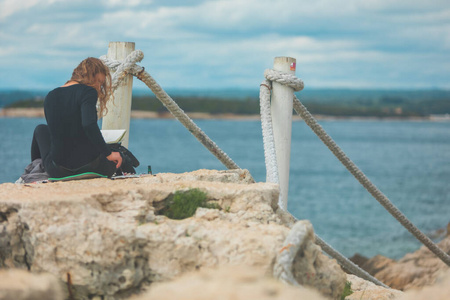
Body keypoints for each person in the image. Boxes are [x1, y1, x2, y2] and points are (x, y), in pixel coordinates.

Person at [30, 57, 122, 179]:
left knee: (40, 129)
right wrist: (108, 154)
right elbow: (88, 124)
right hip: (91, 166)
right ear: (90, 76)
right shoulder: (88, 91)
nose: (99, 88)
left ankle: (34, 172)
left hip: (58, 171)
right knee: (120, 157)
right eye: (99, 82)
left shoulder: (50, 96)